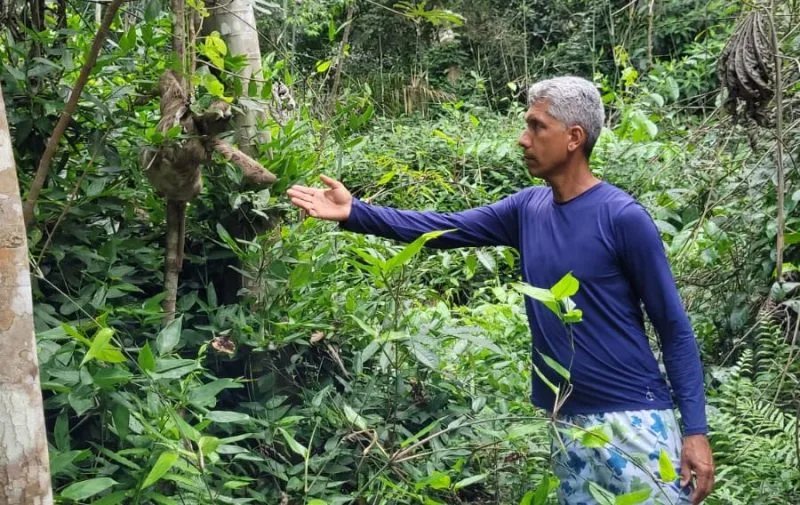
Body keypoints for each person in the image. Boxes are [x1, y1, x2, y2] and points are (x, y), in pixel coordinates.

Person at [286, 76, 715, 505]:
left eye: (536, 127)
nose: (522, 140)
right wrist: (355, 212)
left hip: (634, 421)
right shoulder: (528, 209)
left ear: (574, 138)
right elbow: (441, 227)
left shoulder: (622, 218)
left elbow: (674, 328)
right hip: (565, 421)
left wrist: (695, 431)